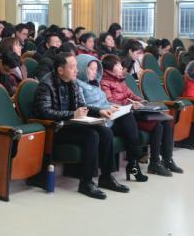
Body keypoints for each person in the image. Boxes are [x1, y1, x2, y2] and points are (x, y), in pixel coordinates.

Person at [32, 53, 129, 199]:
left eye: (76, 66)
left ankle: (106, 177)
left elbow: (82, 106)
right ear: (60, 70)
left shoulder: (73, 82)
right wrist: (72, 114)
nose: (76, 70)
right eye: (72, 67)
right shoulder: (46, 84)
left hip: (70, 124)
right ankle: (86, 182)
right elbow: (45, 112)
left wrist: (100, 111)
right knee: (92, 135)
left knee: (105, 132)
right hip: (55, 129)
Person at [100, 55, 182, 175]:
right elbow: (110, 102)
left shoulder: (120, 80)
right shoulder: (104, 82)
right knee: (157, 126)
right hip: (122, 117)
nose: (121, 67)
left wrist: (141, 101)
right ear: (109, 68)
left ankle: (167, 159)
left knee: (166, 123)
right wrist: (130, 104)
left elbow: (132, 95)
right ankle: (154, 163)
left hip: (133, 112)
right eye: (118, 65)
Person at [77, 54, 149, 182]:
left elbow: (107, 101)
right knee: (128, 122)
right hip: (98, 119)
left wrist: (115, 106)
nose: (94, 72)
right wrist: (112, 107)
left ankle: (134, 163)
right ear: (82, 68)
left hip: (109, 117)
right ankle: (135, 158)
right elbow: (83, 106)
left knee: (129, 119)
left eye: (96, 69)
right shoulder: (79, 84)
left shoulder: (95, 83)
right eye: (91, 69)